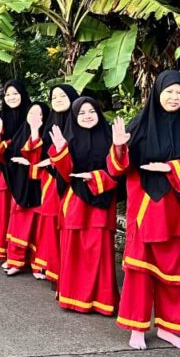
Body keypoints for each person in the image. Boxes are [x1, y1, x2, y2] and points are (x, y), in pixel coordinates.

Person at [116, 70, 180, 349]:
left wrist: (171, 167)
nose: (173, 97)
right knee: (140, 271)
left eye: (179, 93)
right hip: (146, 208)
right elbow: (118, 167)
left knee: (176, 273)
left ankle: (170, 328)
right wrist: (119, 148)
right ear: (157, 93)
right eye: (168, 92)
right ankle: (136, 328)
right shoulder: (140, 125)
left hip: (178, 212)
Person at [49, 96, 127, 315]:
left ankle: (102, 301)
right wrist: (60, 151)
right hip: (75, 202)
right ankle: (73, 298)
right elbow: (65, 174)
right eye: (81, 113)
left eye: (91, 111)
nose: (87, 116)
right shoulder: (69, 138)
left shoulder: (109, 137)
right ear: (75, 116)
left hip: (102, 204)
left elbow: (118, 171)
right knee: (73, 250)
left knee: (99, 252)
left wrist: (119, 148)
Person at [32, 84, 79, 283]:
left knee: (68, 226)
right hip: (50, 181)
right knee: (51, 223)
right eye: (54, 96)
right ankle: (52, 267)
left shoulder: (81, 120)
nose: (58, 99)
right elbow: (38, 153)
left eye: (62, 96)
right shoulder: (51, 123)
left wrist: (56, 159)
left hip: (74, 184)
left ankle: (67, 270)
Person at [0, 80, 30, 261]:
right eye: (7, 94)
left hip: (26, 169)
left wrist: (8, 144)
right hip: (4, 168)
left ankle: (24, 256)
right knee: (4, 211)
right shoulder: (1, 117)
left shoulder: (31, 113)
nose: (11, 97)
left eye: (15, 93)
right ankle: (5, 250)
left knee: (22, 212)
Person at [2, 101, 50, 275]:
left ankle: (37, 264)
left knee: (38, 228)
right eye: (31, 114)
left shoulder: (49, 135)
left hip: (39, 188)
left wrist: (36, 132)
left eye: (39, 115)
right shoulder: (20, 134)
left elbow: (43, 160)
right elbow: (9, 158)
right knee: (19, 224)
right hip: (21, 186)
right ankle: (15, 260)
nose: (34, 118)